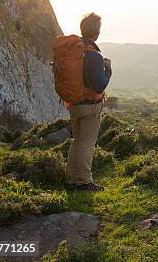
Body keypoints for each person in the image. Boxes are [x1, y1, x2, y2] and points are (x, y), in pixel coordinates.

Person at [66, 13, 111, 192]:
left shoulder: (73, 51)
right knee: (87, 144)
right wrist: (108, 71)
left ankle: (72, 179)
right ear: (97, 33)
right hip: (90, 106)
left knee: (77, 141)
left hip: (74, 103)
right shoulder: (94, 55)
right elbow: (99, 86)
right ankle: (84, 181)